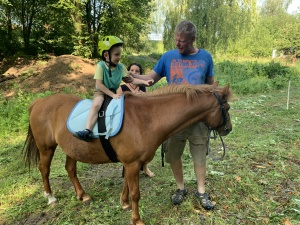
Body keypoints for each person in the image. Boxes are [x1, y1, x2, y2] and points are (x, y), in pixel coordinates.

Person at [131, 20, 215, 210]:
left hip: (198, 120)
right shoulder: (168, 57)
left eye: (182, 41)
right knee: (173, 155)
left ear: (193, 39)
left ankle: (201, 191)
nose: (177, 44)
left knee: (200, 156)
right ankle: (181, 187)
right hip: (172, 120)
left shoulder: (205, 58)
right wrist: (131, 77)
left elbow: (211, 86)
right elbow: (150, 79)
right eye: (176, 40)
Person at [73, 36, 153, 142]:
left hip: (114, 93)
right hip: (101, 92)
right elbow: (100, 85)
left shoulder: (121, 67)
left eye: (120, 54)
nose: (119, 57)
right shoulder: (101, 66)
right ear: (106, 55)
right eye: (116, 54)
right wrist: (113, 95)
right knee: (97, 104)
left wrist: (144, 82)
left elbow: (130, 80)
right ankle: (87, 130)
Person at [116, 63, 155, 178]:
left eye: (137, 71)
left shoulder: (143, 87)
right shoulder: (121, 87)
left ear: (139, 73)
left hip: (142, 120)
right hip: (127, 121)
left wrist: (144, 97)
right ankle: (128, 168)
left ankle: (145, 168)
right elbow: (119, 103)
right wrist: (133, 96)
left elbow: (149, 104)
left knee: (145, 144)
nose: (134, 72)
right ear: (127, 72)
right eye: (131, 70)